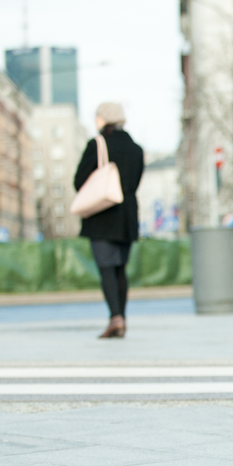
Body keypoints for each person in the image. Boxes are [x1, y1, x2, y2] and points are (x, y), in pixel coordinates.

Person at [73, 103, 145, 339]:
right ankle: (121, 318)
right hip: (127, 216)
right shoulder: (136, 149)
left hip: (103, 215)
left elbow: (79, 181)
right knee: (120, 269)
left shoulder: (98, 144)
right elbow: (135, 182)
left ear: (104, 120)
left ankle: (115, 317)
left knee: (106, 268)